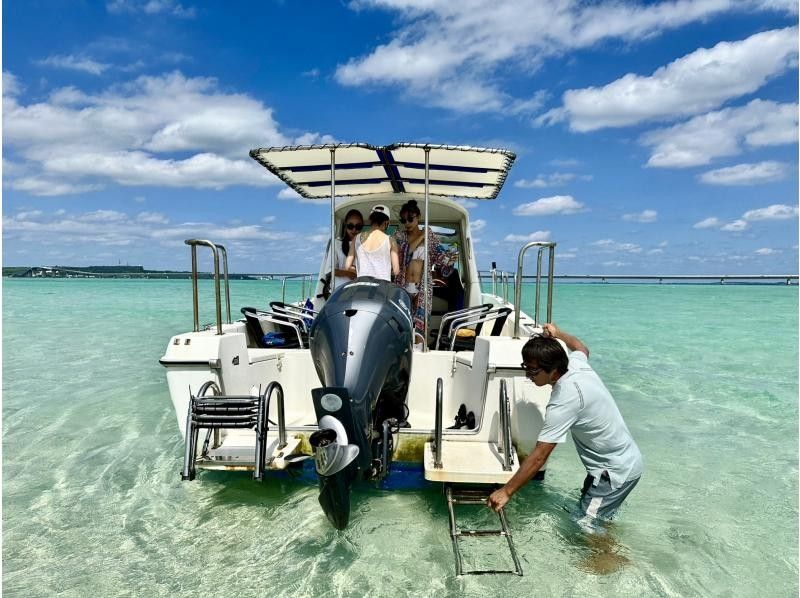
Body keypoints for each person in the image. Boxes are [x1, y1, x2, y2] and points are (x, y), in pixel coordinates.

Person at [488, 323, 643, 529]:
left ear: (553, 371)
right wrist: (558, 333)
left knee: (586, 527)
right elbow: (581, 348)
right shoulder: (575, 364)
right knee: (593, 519)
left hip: (613, 473)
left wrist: (506, 491)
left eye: (533, 371)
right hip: (617, 464)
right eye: (526, 367)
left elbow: (540, 455)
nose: (528, 376)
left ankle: (611, 559)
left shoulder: (564, 401)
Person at [394, 199, 451, 340]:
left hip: (422, 288)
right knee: (402, 325)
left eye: (410, 219)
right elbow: (406, 252)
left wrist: (449, 259)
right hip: (403, 287)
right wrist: (422, 235)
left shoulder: (429, 235)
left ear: (418, 217)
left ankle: (419, 353)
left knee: (421, 325)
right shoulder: (399, 236)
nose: (407, 223)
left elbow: (440, 256)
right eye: (403, 220)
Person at [345, 204, 399, 282]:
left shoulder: (356, 238)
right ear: (387, 222)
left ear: (370, 220)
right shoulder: (390, 240)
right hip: (381, 288)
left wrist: (361, 271)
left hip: (362, 287)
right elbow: (396, 270)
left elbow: (347, 266)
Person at [328, 209, 363, 289]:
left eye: (358, 226)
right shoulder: (336, 243)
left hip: (359, 289)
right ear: (345, 226)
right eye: (350, 226)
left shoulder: (365, 246)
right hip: (339, 290)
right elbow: (330, 270)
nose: (354, 230)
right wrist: (348, 273)